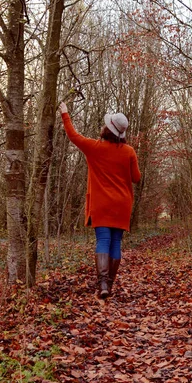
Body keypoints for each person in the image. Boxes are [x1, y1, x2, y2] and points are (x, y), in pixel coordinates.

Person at [59, 102, 141, 298]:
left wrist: (65, 113)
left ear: (107, 128)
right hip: (122, 204)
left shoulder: (95, 148)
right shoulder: (129, 151)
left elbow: (73, 136)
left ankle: (102, 284)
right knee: (115, 243)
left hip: (101, 204)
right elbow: (136, 178)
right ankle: (110, 285)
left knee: (103, 240)